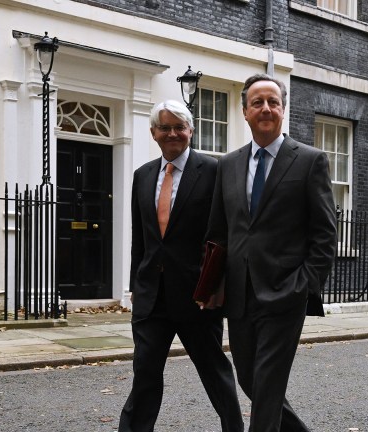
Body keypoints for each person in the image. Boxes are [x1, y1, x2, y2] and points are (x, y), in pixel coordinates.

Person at [206, 74, 337, 431]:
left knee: (267, 383)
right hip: (240, 293)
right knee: (250, 378)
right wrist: (213, 284)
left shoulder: (310, 161)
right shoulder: (228, 165)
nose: (266, 108)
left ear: (283, 109)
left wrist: (305, 285)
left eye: (273, 102)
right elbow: (219, 231)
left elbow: (325, 233)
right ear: (245, 111)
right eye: (257, 102)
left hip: (285, 292)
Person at [119, 100, 243, 432]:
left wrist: (217, 287)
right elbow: (141, 238)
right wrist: (135, 286)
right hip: (151, 297)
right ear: (153, 133)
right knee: (145, 374)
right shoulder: (142, 175)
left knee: (214, 372)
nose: (172, 133)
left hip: (198, 296)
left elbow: (225, 234)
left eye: (179, 126)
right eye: (165, 127)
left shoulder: (214, 171)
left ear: (191, 130)